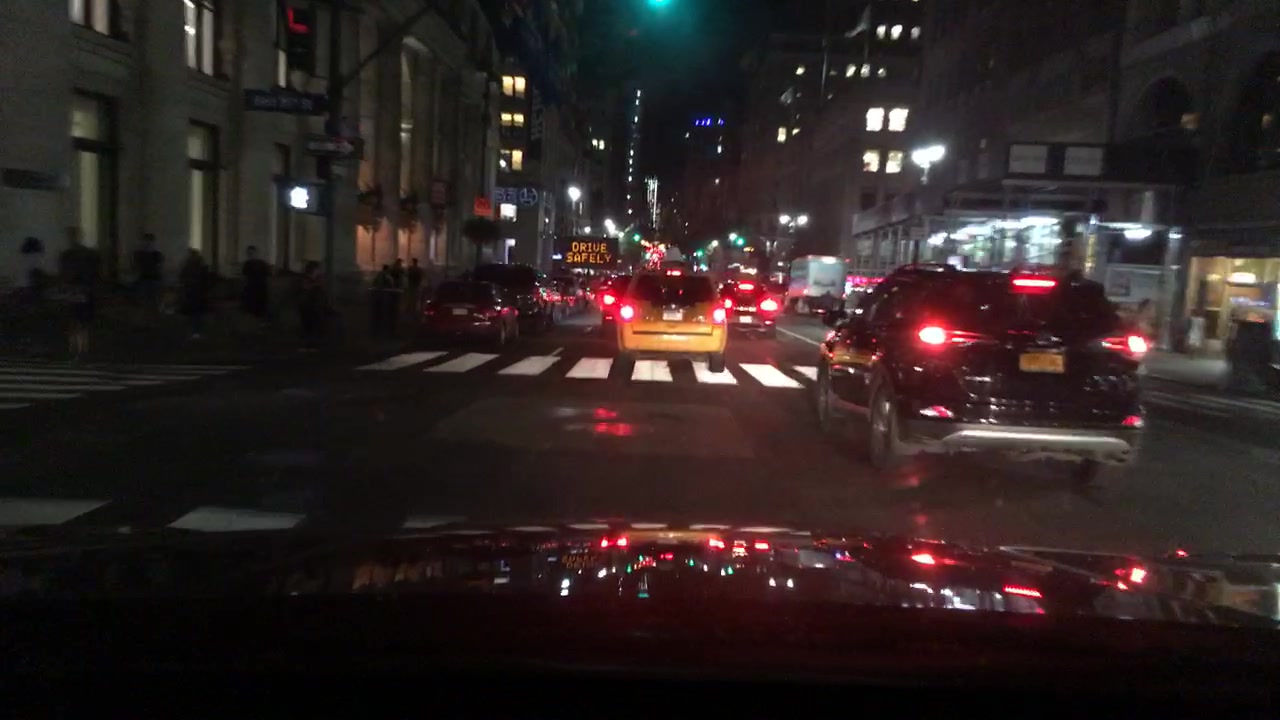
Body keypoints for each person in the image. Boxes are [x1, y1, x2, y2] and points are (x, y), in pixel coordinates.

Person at [58, 227, 100, 358]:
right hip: (80, 290)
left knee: (78, 320)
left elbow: (65, 274)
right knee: (79, 321)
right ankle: (80, 348)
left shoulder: (69, 255)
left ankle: (78, 348)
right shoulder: (84, 254)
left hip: (78, 290)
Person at [178, 249, 212, 339]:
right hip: (195, 293)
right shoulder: (199, 267)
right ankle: (196, 331)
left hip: (194, 293)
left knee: (194, 314)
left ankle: (194, 331)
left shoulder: (190, 267)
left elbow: (182, 278)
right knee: (196, 314)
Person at [133, 233, 164, 326]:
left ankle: (151, 321)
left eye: (150, 241)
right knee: (145, 302)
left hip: (151, 279)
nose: (148, 243)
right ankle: (145, 321)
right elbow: (136, 266)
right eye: (146, 241)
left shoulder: (155, 254)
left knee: (153, 302)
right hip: (145, 279)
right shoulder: (140, 254)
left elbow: (160, 267)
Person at [298, 261, 327, 349]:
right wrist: (316, 284)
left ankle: (313, 343)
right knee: (309, 326)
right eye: (318, 269)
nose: (320, 271)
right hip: (307, 307)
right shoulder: (305, 278)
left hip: (315, 307)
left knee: (314, 325)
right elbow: (305, 287)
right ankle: (309, 344)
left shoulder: (317, 279)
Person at [240, 245, 271, 324]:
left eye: (252, 253)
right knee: (252, 307)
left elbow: (268, 274)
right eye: (249, 253)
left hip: (260, 288)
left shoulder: (262, 263)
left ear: (256, 253)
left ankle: (260, 321)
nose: (251, 255)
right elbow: (244, 276)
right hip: (251, 288)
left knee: (260, 307)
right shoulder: (247, 264)